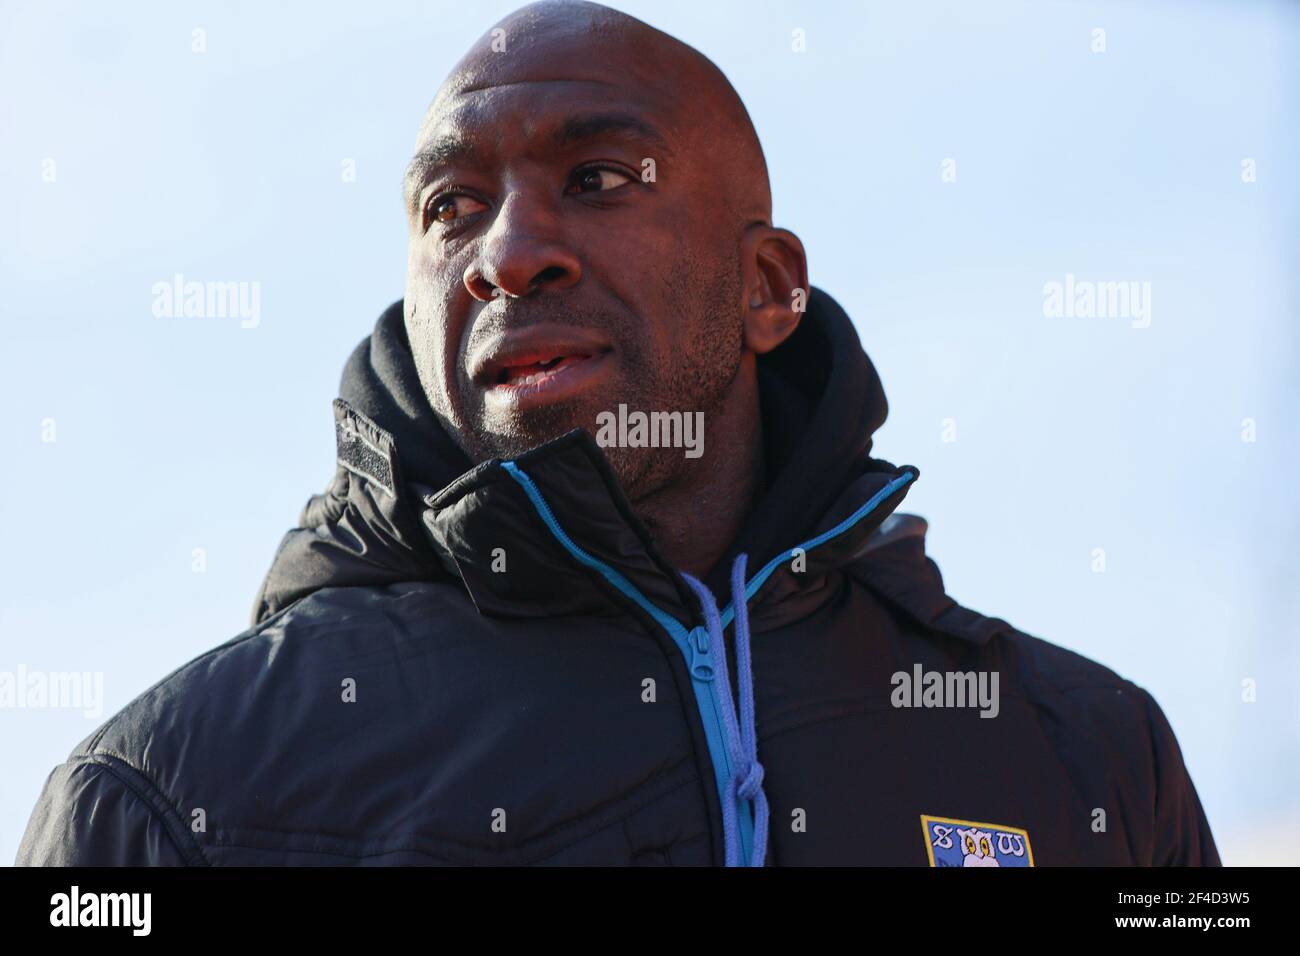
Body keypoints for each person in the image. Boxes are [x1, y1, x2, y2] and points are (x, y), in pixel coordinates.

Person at [17, 0, 1218, 866]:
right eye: (453, 207)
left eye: (596, 177)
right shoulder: (165, 798)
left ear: (766, 290)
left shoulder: (1092, 759)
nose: (505, 253)